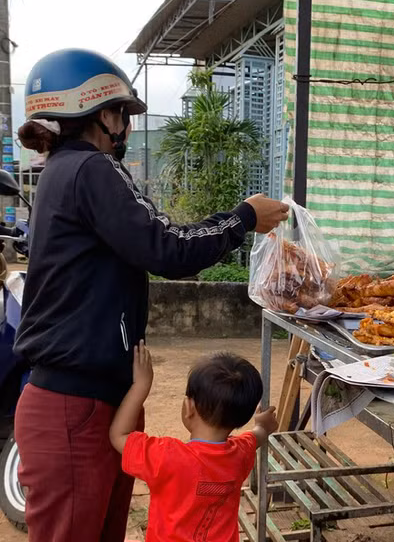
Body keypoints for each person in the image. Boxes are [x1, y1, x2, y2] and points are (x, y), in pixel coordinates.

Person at [13, 48, 289, 541]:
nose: (126, 126)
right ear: (103, 113)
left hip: (88, 401)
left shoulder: (61, 172)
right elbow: (167, 248)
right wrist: (242, 218)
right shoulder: (91, 169)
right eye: (123, 113)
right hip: (75, 408)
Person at [109, 344, 278, 542]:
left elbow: (119, 435)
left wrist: (140, 386)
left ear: (189, 407)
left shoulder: (166, 457)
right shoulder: (240, 454)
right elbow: (259, 434)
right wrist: (263, 425)